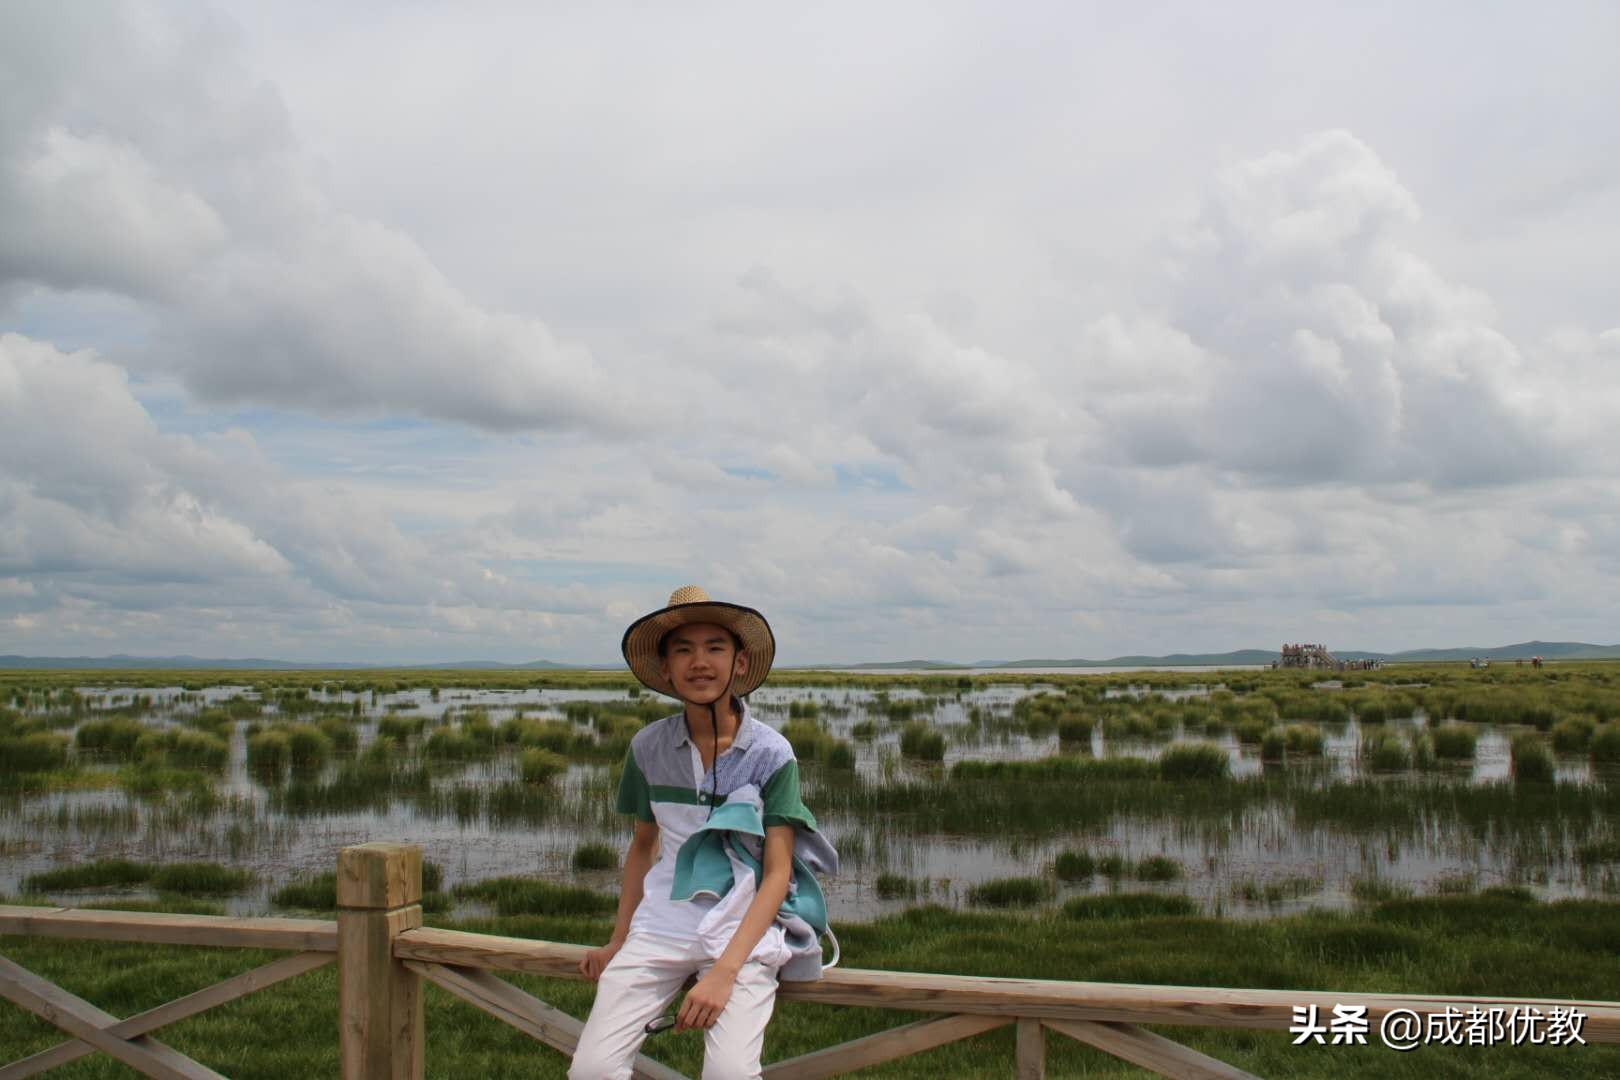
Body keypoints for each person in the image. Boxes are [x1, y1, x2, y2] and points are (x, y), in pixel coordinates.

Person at [568, 585, 826, 1080]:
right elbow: (643, 847)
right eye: (683, 650)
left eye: (714, 648)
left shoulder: (772, 754)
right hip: (661, 922)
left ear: (741, 663)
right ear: (665, 668)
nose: (699, 662)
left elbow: (776, 874)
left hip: (743, 927)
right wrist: (618, 939)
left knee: (729, 1074)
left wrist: (725, 971)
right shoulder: (648, 748)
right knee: (592, 1071)